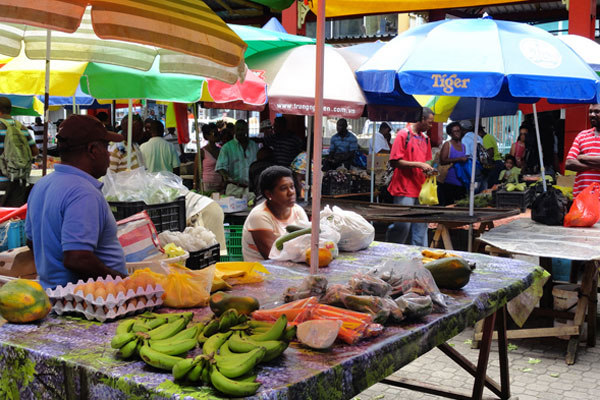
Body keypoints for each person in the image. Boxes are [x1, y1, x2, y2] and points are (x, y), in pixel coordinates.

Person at [25, 115, 127, 289]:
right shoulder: (83, 193)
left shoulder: (43, 184)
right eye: (105, 146)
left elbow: (31, 241)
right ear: (93, 150)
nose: (109, 153)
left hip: (53, 296)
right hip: (88, 301)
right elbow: (77, 259)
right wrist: (124, 283)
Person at [385, 107, 435, 246]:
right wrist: (419, 165)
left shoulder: (425, 138)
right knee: (402, 225)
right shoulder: (403, 134)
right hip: (404, 188)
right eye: (429, 122)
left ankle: (419, 257)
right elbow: (395, 161)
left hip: (421, 189)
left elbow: (426, 161)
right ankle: (392, 248)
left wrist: (428, 168)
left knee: (421, 226)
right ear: (421, 119)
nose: (430, 126)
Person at [242, 166, 308, 261]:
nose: (291, 192)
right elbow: (273, 256)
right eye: (283, 188)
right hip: (261, 272)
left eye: (292, 187)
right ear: (269, 194)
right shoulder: (259, 216)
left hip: (290, 269)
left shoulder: (298, 211)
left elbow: (306, 242)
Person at [0, 97, 39, 206]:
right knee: (14, 217)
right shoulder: (21, 127)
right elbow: (35, 151)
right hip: (19, 180)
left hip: (1, 180)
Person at [565, 103, 600, 197]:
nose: (592, 114)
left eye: (597, 111)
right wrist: (597, 165)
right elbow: (569, 163)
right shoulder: (582, 135)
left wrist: (582, 157)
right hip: (582, 196)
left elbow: (575, 160)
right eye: (590, 111)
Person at [216, 120, 259, 189]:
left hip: (251, 188)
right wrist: (226, 176)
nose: (240, 132)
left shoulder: (254, 146)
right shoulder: (227, 147)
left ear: (246, 130)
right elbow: (220, 167)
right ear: (234, 130)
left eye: (242, 129)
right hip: (234, 187)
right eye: (238, 129)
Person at [437, 122, 468, 206]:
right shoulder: (448, 144)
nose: (457, 133)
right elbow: (443, 160)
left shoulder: (463, 146)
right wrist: (459, 159)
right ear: (450, 133)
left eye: (459, 131)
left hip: (461, 181)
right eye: (455, 131)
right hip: (448, 181)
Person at [193, 123, 223, 192]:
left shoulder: (221, 150)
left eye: (217, 133)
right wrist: (195, 186)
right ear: (207, 136)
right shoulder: (202, 152)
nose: (217, 135)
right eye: (214, 133)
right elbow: (196, 171)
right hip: (206, 185)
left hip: (219, 185)